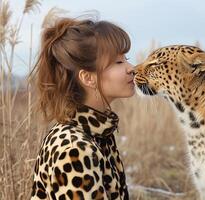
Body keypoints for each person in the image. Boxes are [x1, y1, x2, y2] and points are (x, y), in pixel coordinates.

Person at [29, 16, 135, 200]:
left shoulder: (98, 134)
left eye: (126, 59)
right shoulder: (74, 148)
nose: (131, 68)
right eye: (118, 62)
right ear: (88, 78)